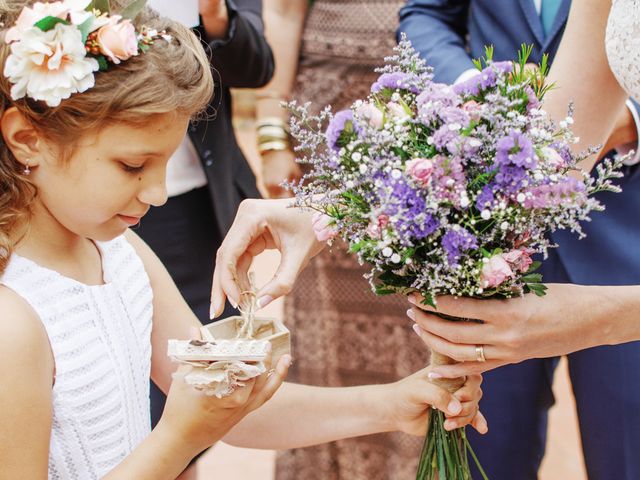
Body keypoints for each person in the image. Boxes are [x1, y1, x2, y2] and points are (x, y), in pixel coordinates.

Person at [0, 1, 486, 479]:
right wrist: (180, 440)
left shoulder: (120, 254)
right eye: (133, 165)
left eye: (167, 163)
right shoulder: (13, 322)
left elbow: (239, 407)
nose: (159, 193)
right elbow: (194, 424)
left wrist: (391, 405)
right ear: (27, 139)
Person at [398, 1, 640, 478]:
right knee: (489, 447)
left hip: (627, 232)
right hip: (507, 240)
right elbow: (552, 160)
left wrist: (605, 317)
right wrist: (348, 208)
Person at [254, 1, 424, 477]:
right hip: (325, 142)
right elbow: (284, 15)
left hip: (425, 150)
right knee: (323, 339)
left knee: (418, 328)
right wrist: (272, 137)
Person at [134, 1, 270, 472]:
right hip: (81, 204)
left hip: (197, 204)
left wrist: (214, 12)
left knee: (198, 375)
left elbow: (255, 66)